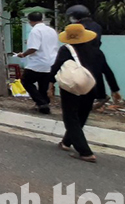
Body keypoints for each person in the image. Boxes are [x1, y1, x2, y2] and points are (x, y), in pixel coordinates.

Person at [50, 24, 121, 163]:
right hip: (90, 88)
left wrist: (50, 84)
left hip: (71, 89)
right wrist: (115, 90)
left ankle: (85, 152)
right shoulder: (96, 51)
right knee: (81, 116)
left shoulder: (66, 50)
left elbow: (56, 67)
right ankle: (66, 142)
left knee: (70, 118)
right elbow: (107, 71)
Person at [17, 12, 59, 114]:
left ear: (30, 21)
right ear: (42, 19)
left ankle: (41, 102)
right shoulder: (51, 30)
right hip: (51, 62)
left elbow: (33, 48)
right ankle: (43, 105)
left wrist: (23, 54)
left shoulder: (35, 31)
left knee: (26, 81)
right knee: (43, 85)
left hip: (38, 62)